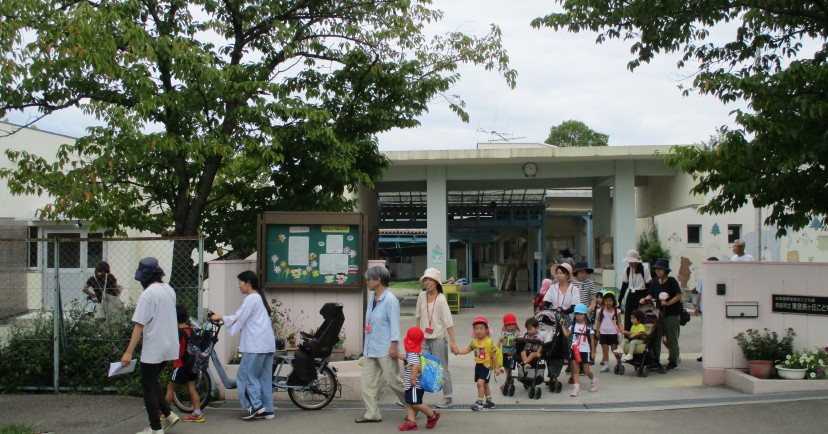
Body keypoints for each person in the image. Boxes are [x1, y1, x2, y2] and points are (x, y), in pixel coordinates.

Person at [121, 257, 180, 434]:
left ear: (144, 278)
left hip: (154, 346)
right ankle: (169, 415)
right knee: (151, 382)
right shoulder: (169, 290)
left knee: (147, 385)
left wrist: (128, 352)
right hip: (170, 345)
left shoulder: (148, 295)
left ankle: (155, 428)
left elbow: (139, 325)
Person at [210, 270, 275, 420]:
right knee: (263, 377)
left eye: (240, 282)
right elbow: (242, 319)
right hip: (266, 344)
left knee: (246, 376)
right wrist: (227, 321)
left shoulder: (251, 299)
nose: (238, 286)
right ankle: (268, 409)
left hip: (255, 345)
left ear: (248, 283)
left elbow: (239, 317)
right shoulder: (258, 298)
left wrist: (220, 316)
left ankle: (255, 406)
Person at [356, 265, 405, 424]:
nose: (367, 282)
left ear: (378, 280)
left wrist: (393, 346)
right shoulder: (372, 299)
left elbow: (395, 325)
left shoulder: (390, 300)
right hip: (371, 348)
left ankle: (413, 405)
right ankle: (372, 413)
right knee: (366, 384)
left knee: (394, 382)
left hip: (385, 349)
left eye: (369, 279)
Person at [414, 268, 458, 409]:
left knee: (442, 368)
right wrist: (416, 336)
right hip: (423, 339)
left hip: (438, 338)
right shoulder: (421, 296)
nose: (428, 282)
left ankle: (448, 397)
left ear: (436, 282)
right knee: (421, 367)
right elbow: (418, 316)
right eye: (426, 280)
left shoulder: (441, 299)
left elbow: (448, 322)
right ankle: (414, 396)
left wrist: (452, 342)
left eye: (431, 280)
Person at [165, 305, 204, 422]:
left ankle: (163, 411)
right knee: (191, 387)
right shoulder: (191, 329)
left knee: (171, 387)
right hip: (193, 364)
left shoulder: (178, 332)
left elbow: (178, 350)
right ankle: (197, 413)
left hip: (181, 364)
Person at [642, 258, 682, 370]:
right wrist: (646, 299)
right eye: (657, 269)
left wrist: (668, 303)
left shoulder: (672, 281)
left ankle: (673, 360)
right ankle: (655, 359)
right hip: (657, 313)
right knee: (655, 336)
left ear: (665, 270)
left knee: (671, 337)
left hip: (671, 313)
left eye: (660, 269)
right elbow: (650, 294)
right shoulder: (655, 281)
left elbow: (678, 296)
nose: (658, 271)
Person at [398, 327, 441, 431]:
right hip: (412, 385)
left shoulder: (412, 354)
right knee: (409, 402)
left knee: (416, 404)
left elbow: (415, 365)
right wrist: (398, 355)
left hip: (414, 384)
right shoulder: (413, 353)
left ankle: (432, 416)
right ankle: (411, 422)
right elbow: (408, 359)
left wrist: (412, 379)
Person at [454, 317, 499, 411]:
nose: (478, 331)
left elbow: (494, 355)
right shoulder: (474, 341)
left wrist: (497, 368)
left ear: (487, 330)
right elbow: (467, 350)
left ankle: (480, 402)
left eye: (481, 328)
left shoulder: (489, 342)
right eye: (476, 329)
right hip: (478, 366)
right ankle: (490, 402)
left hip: (487, 366)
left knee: (480, 383)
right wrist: (458, 351)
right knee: (484, 385)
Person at [561, 304, 597, 397]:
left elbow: (592, 340)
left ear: (585, 315)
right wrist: (562, 325)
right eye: (576, 314)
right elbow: (567, 334)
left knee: (586, 370)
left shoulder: (588, 327)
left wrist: (593, 352)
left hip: (585, 350)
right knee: (575, 370)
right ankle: (576, 389)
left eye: (580, 314)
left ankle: (593, 380)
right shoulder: (573, 326)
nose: (578, 316)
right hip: (575, 349)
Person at [619, 250, 652, 332]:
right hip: (631, 295)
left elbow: (649, 286)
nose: (630, 263)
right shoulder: (627, 270)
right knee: (629, 318)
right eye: (629, 261)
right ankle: (628, 337)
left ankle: (641, 338)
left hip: (641, 295)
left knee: (640, 318)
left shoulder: (644, 270)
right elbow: (624, 287)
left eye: (632, 261)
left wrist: (647, 299)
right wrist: (619, 301)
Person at [695, 256, 719, 362]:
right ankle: (706, 353)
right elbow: (699, 293)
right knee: (706, 332)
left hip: (717, 309)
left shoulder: (721, 276)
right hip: (705, 309)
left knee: (716, 332)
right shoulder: (702, 278)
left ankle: (715, 353)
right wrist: (696, 306)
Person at [593, 291, 622, 372]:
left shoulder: (617, 311)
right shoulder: (601, 311)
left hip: (613, 333)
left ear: (613, 301)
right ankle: (606, 365)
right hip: (604, 333)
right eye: (606, 301)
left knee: (614, 349)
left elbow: (619, 322)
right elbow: (598, 321)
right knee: (604, 350)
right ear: (603, 301)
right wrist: (597, 331)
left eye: (610, 301)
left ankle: (619, 362)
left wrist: (622, 330)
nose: (608, 303)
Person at [497, 313, 519, 393]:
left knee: (510, 367)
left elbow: (520, 343)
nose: (511, 327)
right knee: (506, 367)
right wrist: (496, 349)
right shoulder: (503, 334)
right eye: (509, 325)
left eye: (513, 325)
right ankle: (509, 378)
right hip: (504, 354)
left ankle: (509, 378)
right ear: (505, 326)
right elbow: (499, 342)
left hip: (512, 354)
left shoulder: (516, 334)